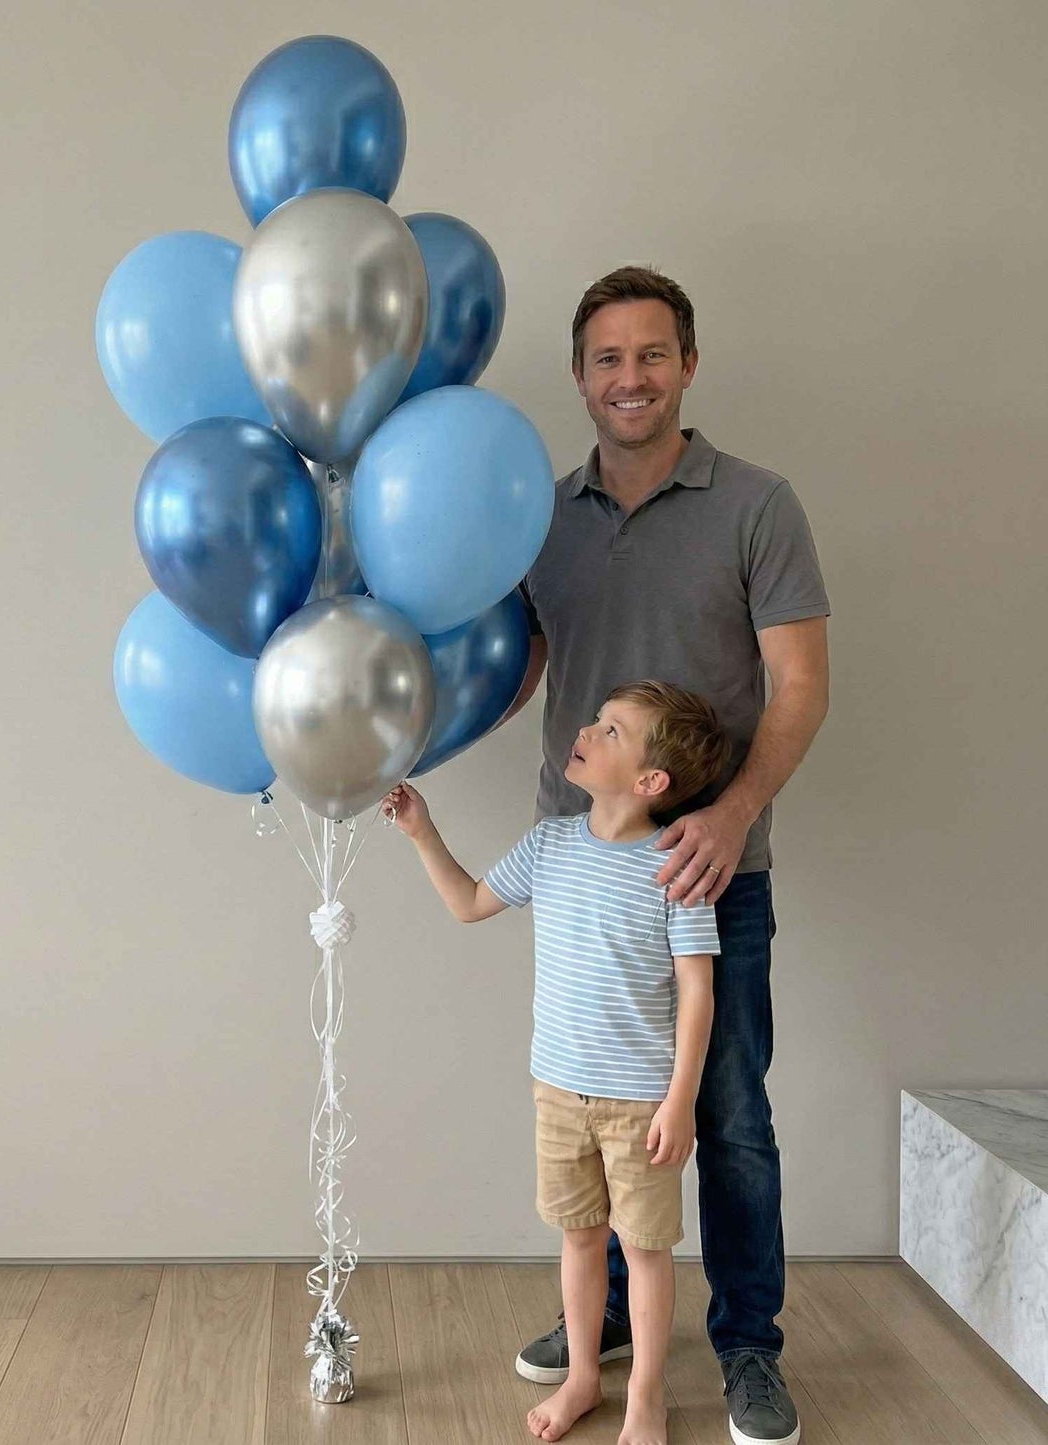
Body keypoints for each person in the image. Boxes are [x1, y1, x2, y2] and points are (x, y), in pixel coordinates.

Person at [504, 265, 830, 1445]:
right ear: (579, 376)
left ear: (686, 363)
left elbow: (800, 681)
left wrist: (734, 810)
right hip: (582, 877)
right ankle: (607, 1333)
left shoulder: (756, 503)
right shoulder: (532, 516)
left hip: (709, 876)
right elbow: (516, 673)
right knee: (590, 1111)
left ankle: (747, 1345)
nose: (627, 377)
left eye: (649, 354)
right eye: (605, 358)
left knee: (727, 1113)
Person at [385, 680, 732, 1445]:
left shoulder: (677, 863)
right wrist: (421, 831)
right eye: (597, 720)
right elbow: (470, 903)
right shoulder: (549, 843)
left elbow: (698, 990)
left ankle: (645, 1394)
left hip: (641, 1102)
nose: (586, 728)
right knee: (579, 1237)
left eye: (611, 729)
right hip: (557, 1092)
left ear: (650, 782)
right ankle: (582, 1376)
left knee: (643, 1251)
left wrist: (680, 1101)